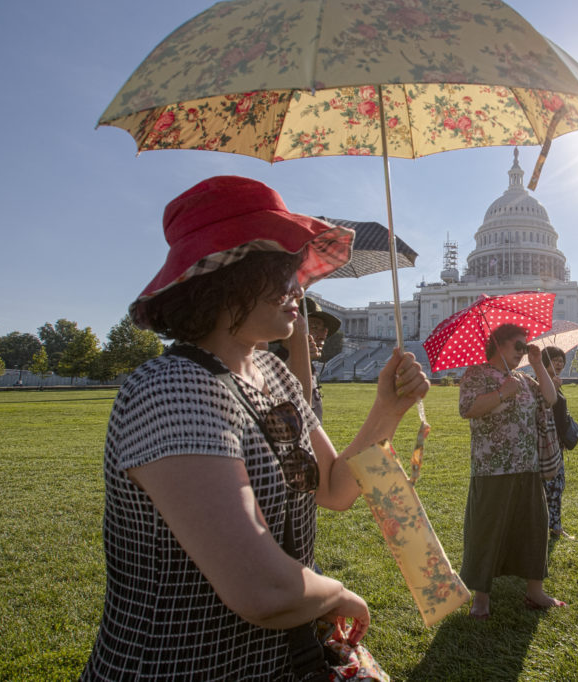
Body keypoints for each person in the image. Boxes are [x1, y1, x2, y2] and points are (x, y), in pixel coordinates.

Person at [81, 176, 429, 680]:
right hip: (178, 665)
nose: (299, 287)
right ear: (223, 277)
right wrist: (337, 593)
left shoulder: (272, 373)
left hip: (275, 661)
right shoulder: (173, 388)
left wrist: (387, 410)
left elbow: (332, 488)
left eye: (296, 271)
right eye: (279, 272)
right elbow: (262, 591)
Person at [458, 323, 564, 620]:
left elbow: (550, 398)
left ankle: (534, 590)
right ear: (498, 344)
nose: (522, 351)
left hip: (527, 466)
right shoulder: (476, 374)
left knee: (533, 526)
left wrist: (537, 364)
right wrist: (503, 394)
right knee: (488, 530)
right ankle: (482, 597)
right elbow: (467, 408)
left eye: (525, 346)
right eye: (518, 346)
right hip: (493, 467)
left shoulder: (522, 377)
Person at [280, 297, 342, 423]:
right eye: (314, 326)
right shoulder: (273, 365)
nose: (323, 335)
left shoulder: (310, 366)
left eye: (324, 329)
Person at [540, 346, 573, 539]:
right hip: (548, 444)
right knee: (554, 485)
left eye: (561, 360)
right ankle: (555, 527)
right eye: (555, 360)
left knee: (556, 485)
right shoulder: (542, 384)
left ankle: (553, 524)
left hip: (557, 442)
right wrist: (553, 389)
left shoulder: (555, 383)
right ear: (546, 362)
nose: (559, 363)